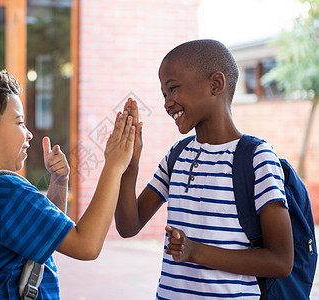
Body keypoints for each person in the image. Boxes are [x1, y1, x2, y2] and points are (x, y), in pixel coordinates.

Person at [114, 39, 294, 299]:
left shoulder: (256, 157)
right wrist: (129, 164)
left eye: (173, 89)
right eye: (164, 94)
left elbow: (280, 261)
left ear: (215, 85)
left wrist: (195, 251)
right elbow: (128, 226)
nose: (167, 103)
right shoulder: (176, 155)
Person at [0, 67, 135, 299]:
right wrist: (115, 166)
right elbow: (87, 245)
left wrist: (59, 182)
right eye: (20, 123)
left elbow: (46, 233)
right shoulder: (8, 192)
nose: (29, 133)